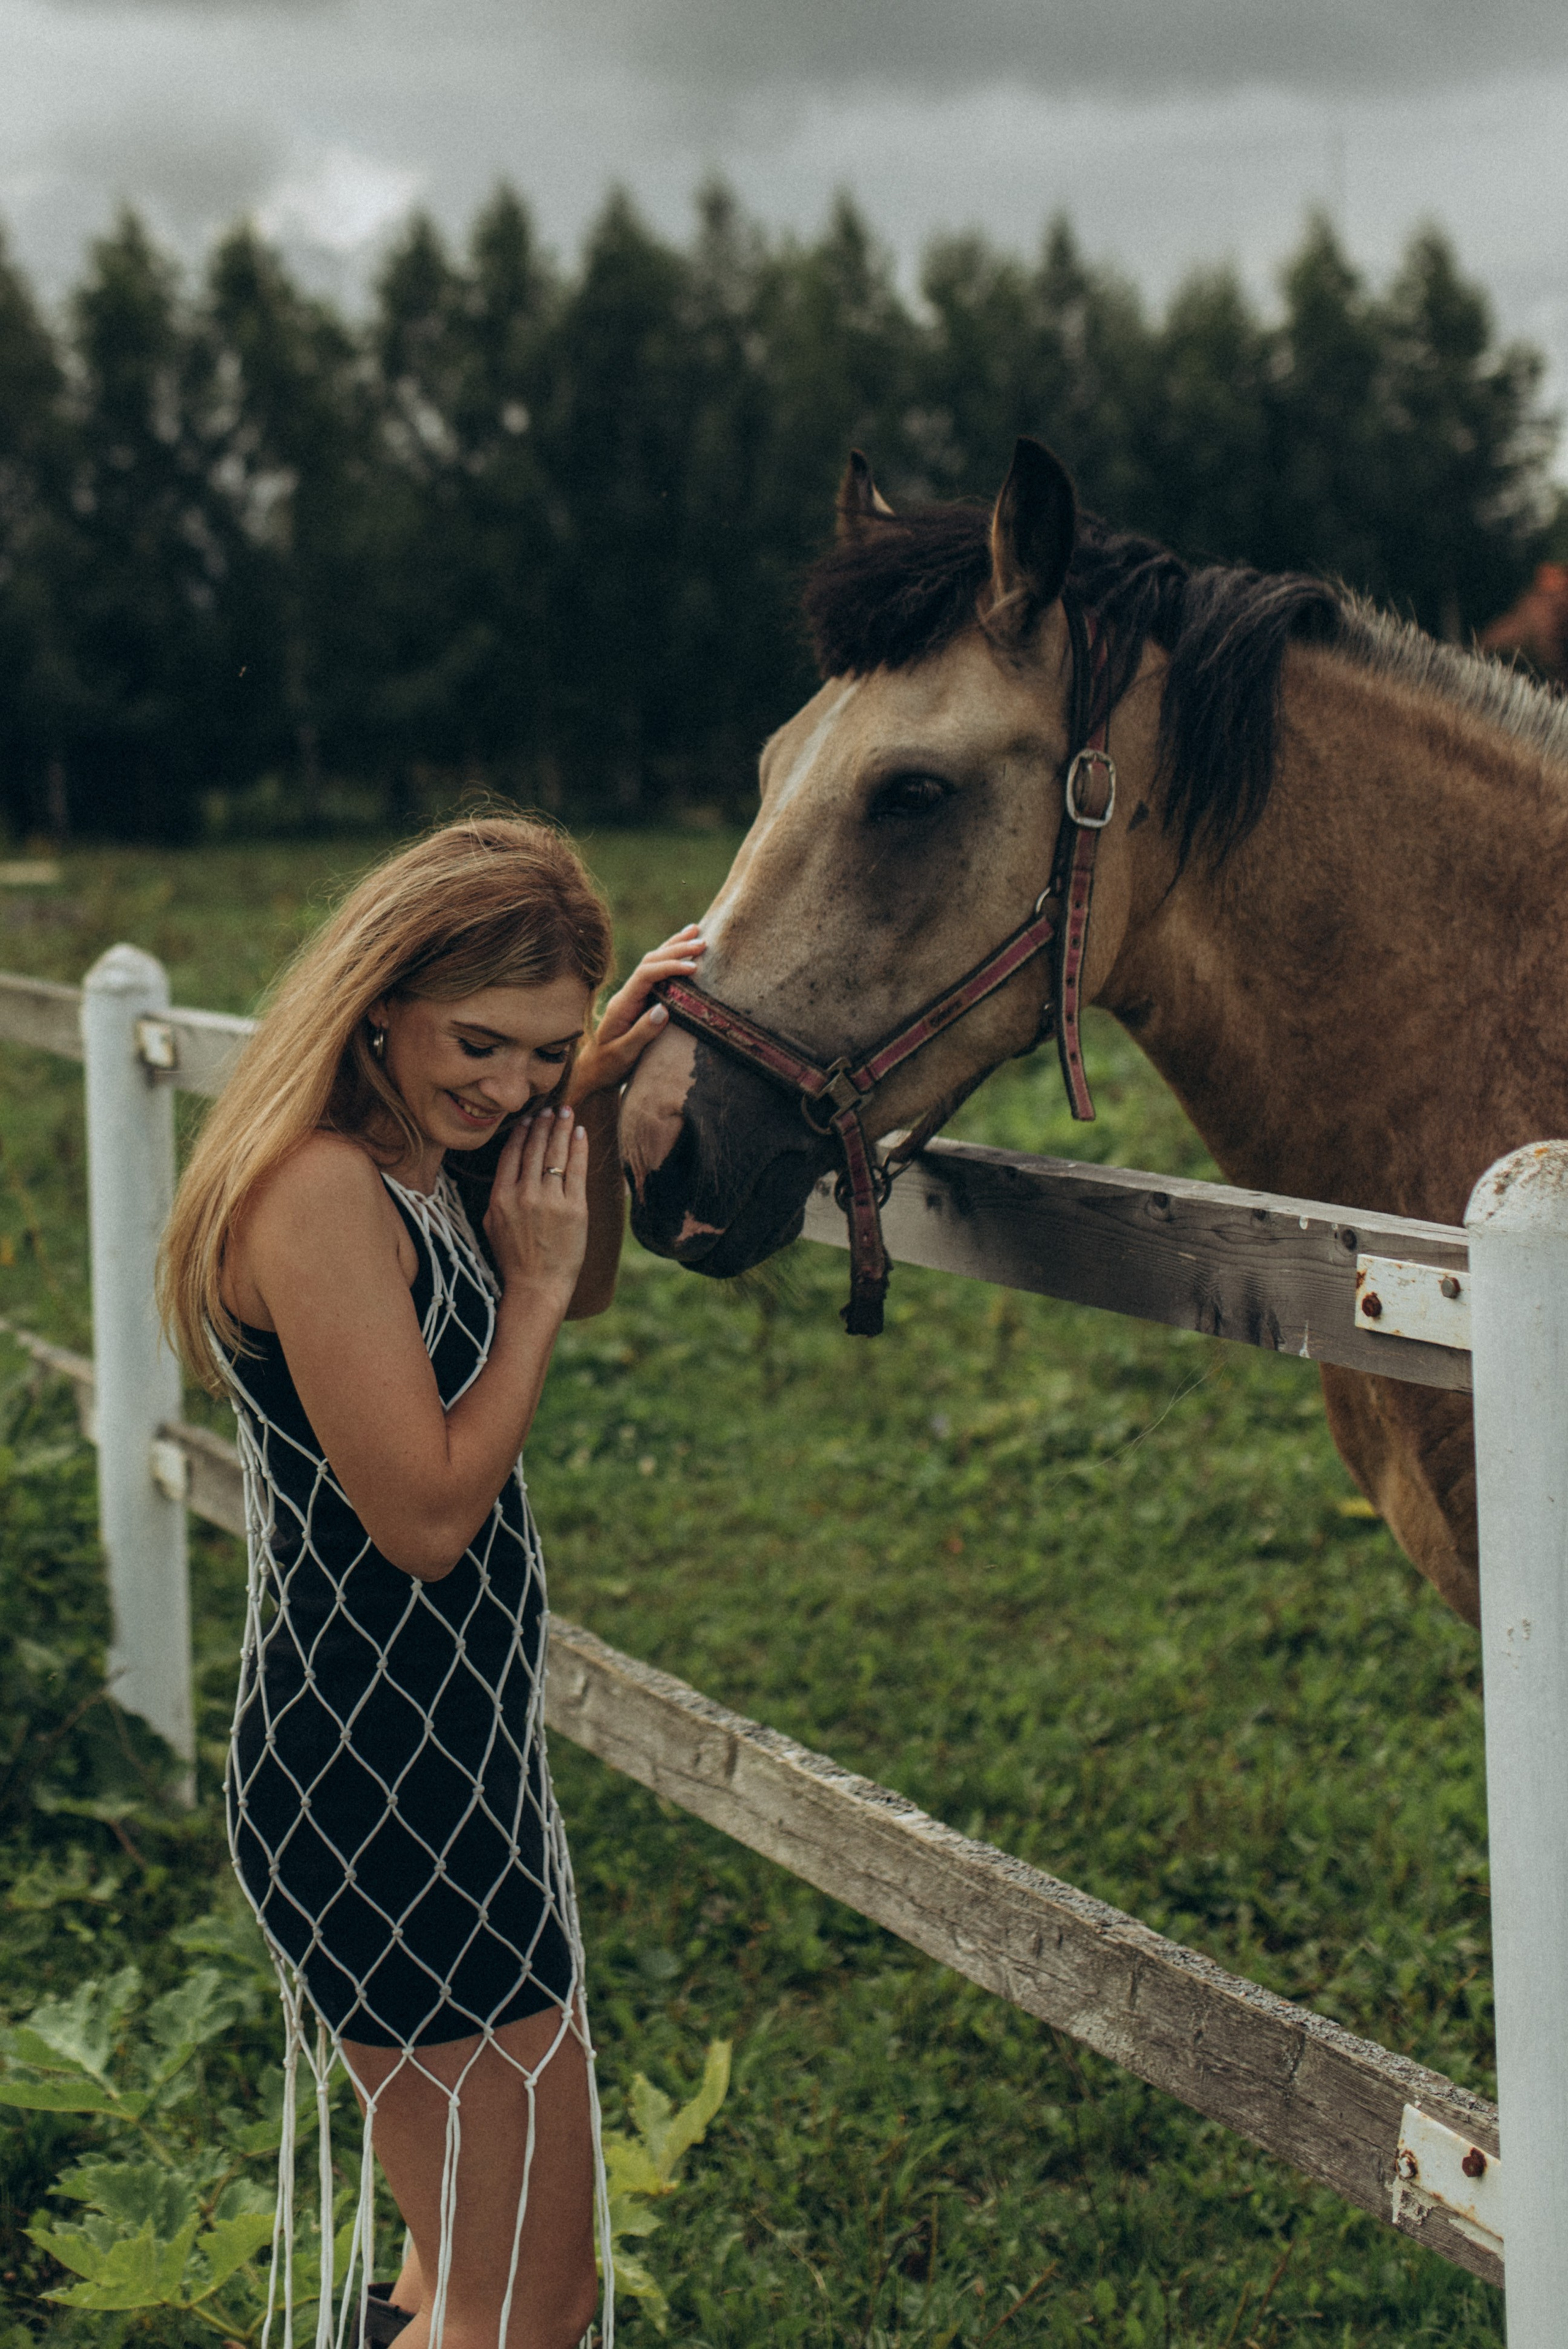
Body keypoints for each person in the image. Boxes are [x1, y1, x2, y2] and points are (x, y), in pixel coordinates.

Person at [160, 815, 704, 2349]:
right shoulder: (322, 1189)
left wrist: (583, 1103)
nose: (507, 1085)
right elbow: (424, 1518)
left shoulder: (419, 1157)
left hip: (447, 1760)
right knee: (516, 2306)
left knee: (449, 2276)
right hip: (370, 1771)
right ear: (380, 997)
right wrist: (524, 1289)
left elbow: (575, 1269)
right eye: (483, 1041)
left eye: (543, 1052)